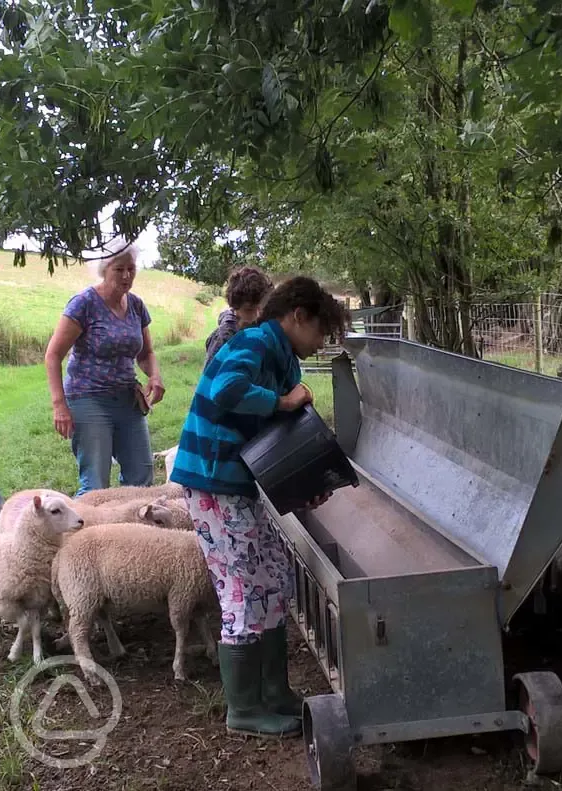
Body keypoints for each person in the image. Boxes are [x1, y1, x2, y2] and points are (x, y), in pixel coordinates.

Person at [169, 275, 350, 739]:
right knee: (244, 588)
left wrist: (307, 484)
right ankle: (243, 708)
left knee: (273, 578)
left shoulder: (286, 359)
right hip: (214, 481)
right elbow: (227, 390)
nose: (322, 343)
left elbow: (282, 437)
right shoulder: (253, 344)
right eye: (321, 333)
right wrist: (281, 400)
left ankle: (275, 692)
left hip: (242, 484)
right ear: (298, 317)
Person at [45, 246, 166, 496]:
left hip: (127, 399)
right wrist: (59, 405)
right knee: (96, 485)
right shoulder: (84, 304)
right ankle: (87, 534)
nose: (126, 276)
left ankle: (128, 533)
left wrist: (154, 375)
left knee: (141, 478)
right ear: (104, 270)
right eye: (119, 269)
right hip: (88, 398)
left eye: (130, 269)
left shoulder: (136, 305)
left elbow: (146, 353)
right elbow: (53, 355)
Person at [204, 265, 274, 367]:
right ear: (235, 306)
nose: (257, 315)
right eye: (249, 309)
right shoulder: (223, 339)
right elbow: (209, 379)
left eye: (262, 308)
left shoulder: (262, 330)